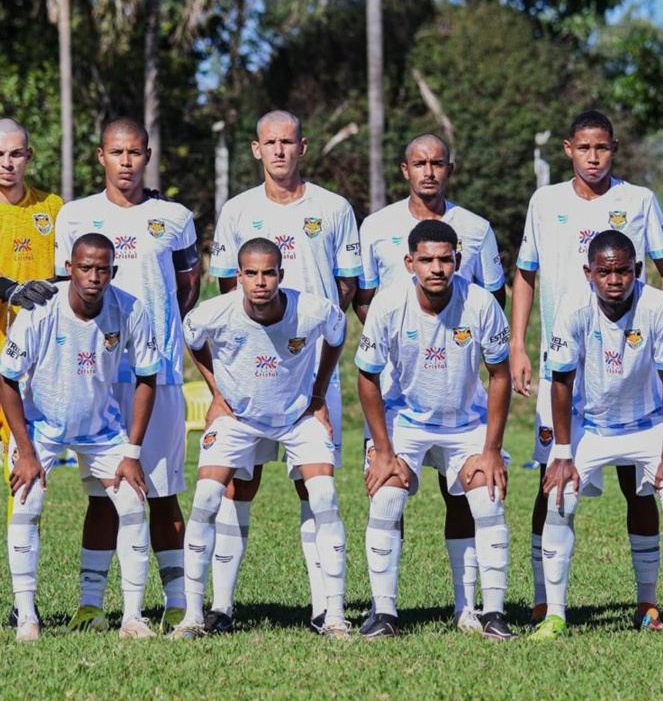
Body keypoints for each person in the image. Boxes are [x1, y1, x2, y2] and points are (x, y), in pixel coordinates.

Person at [511, 110, 663, 631]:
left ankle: (649, 601)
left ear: (614, 149)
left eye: (602, 149)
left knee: (643, 486)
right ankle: (546, 601)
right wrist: (519, 344)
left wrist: (662, 338)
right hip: (565, 365)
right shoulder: (545, 202)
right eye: (584, 149)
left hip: (631, 361)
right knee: (554, 480)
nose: (593, 158)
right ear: (568, 149)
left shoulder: (638, 201)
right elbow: (525, 274)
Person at [205, 110, 361, 634]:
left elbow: (345, 289)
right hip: (245, 378)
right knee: (235, 487)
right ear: (256, 149)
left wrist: (309, 340)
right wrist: (231, 371)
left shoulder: (334, 209)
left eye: (288, 142)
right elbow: (227, 291)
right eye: (269, 142)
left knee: (314, 487)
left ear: (303, 147)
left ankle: (325, 608)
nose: (278, 151)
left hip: (311, 375)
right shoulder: (236, 210)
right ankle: (221, 608)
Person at [354, 133, 506, 633]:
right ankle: (384, 611)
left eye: (437, 162)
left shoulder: (478, 240)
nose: (428, 171)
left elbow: (497, 352)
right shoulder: (377, 231)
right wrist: (380, 448)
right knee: (389, 492)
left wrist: (491, 448)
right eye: (419, 163)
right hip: (406, 409)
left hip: (464, 410)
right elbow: (368, 369)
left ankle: (480, 611)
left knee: (478, 495)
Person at [54, 118, 201, 634]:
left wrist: (158, 335)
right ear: (101, 156)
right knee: (102, 494)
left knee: (160, 490)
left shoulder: (175, 217)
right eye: (116, 152)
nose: (125, 162)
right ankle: (91, 603)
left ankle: (179, 602)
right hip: (95, 376)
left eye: (135, 153)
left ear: (147, 156)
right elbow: (61, 292)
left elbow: (189, 285)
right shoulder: (76, 217)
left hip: (156, 375)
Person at [171, 237, 349, 639]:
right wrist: (217, 391)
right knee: (205, 501)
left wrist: (318, 394)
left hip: (297, 416)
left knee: (323, 497)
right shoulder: (215, 312)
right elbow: (192, 338)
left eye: (269, 272)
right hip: (238, 417)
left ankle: (334, 615)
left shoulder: (312, 310)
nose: (260, 281)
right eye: (251, 273)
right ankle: (196, 616)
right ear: (238, 277)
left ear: (281, 275)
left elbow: (338, 335)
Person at [531, 230, 663, 641]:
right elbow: (561, 382)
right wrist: (564, 453)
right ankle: (555, 615)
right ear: (588, 272)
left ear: (637, 270)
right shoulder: (572, 308)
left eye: (623, 271)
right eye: (604, 272)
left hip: (649, 423)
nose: (614, 280)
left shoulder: (658, 305)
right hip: (591, 425)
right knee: (559, 497)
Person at [0, 233, 161, 641]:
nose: (93, 277)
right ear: (69, 269)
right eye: (85, 268)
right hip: (41, 427)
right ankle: (27, 617)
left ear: (113, 272)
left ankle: (132, 617)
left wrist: (132, 451)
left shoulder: (130, 309)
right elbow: (7, 379)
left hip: (101, 429)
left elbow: (146, 377)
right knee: (26, 501)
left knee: (132, 503)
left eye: (102, 269)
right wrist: (26, 451)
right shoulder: (39, 311)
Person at [0, 118, 62, 627]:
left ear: (30, 155)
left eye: (16, 153)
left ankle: (24, 604)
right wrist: (7, 288)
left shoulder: (52, 209)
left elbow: (77, 266)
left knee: (21, 477)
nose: (6, 162)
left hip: (30, 371)